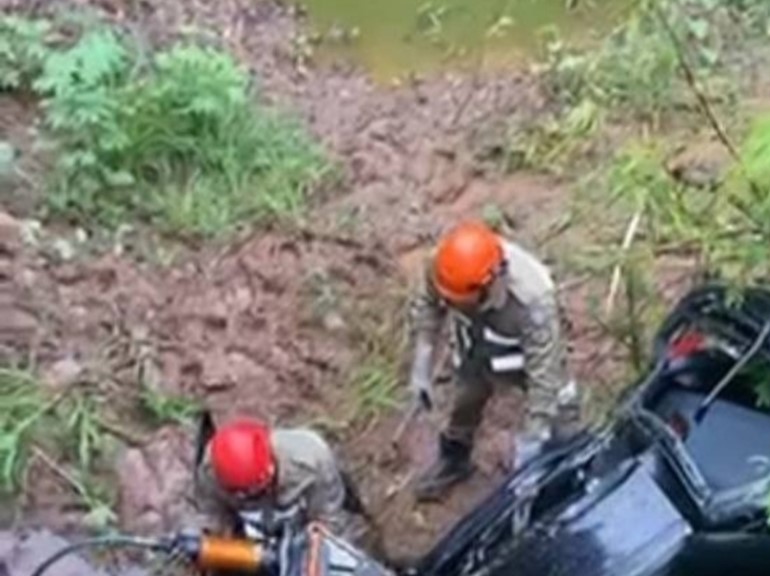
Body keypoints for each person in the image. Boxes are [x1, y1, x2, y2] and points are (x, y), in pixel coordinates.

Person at [406, 219, 580, 502]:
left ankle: (565, 473)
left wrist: (533, 441)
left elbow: (543, 377)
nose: (454, 305)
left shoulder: (534, 303)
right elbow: (428, 305)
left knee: (561, 411)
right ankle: (455, 458)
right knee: (466, 398)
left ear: (490, 283)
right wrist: (421, 366)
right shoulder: (445, 267)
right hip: (476, 343)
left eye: (463, 300)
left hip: (524, 352)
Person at [191, 417, 371, 548]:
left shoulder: (311, 460)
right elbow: (214, 520)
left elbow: (330, 521)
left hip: (306, 515)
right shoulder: (210, 472)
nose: (248, 496)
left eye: (254, 490)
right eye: (239, 493)